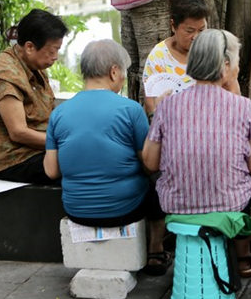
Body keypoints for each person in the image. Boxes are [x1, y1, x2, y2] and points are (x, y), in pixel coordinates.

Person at [142, 29, 251, 277]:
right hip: (229, 204)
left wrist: (157, 114)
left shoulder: (167, 105)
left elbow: (150, 162)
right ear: (226, 65)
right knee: (249, 182)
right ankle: (243, 255)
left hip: (177, 205)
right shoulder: (243, 106)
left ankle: (159, 248)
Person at [43, 40, 166, 261]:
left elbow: (51, 171)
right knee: (158, 184)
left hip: (77, 211)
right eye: (123, 74)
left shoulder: (59, 113)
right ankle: (156, 250)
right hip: (125, 209)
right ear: (113, 71)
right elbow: (149, 164)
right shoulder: (131, 110)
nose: (122, 79)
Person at [0, 9, 68, 184]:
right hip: (16, 159)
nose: (55, 57)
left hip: (38, 149)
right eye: (52, 51)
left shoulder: (32, 64)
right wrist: (63, 143)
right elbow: (18, 133)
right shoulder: (6, 77)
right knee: (84, 162)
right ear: (30, 47)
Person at [142, 0, 210, 116]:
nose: (196, 37)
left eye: (201, 30)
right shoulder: (159, 56)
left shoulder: (213, 50)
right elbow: (150, 101)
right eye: (189, 31)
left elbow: (229, 86)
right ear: (173, 26)